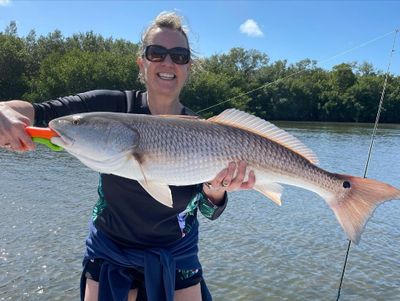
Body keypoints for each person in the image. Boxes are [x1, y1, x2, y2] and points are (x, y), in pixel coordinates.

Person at [0, 11, 255, 301]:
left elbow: (210, 211)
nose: (167, 62)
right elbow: (41, 111)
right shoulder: (111, 107)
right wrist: (5, 110)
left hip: (177, 253)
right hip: (111, 251)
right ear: (142, 62)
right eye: (156, 52)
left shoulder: (202, 130)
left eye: (179, 55)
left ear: (188, 67)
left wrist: (217, 190)